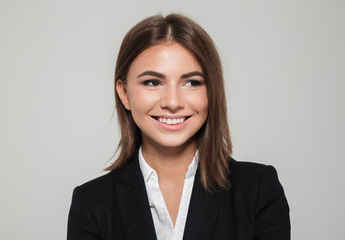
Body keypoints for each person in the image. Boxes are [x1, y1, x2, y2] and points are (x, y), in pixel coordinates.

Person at [67, 14, 290, 240]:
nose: (172, 103)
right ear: (124, 93)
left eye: (191, 82)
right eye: (152, 82)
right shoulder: (91, 204)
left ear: (212, 91)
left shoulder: (258, 190)